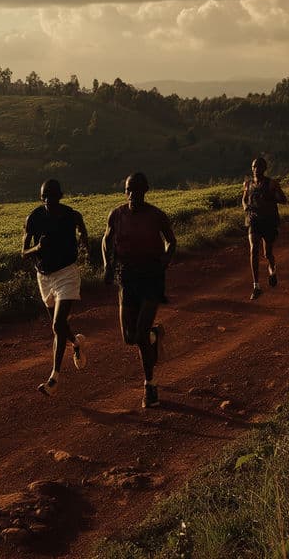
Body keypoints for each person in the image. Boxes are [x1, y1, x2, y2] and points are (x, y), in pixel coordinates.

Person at [101, 172, 176, 408]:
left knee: (140, 334)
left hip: (151, 279)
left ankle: (150, 386)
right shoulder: (117, 215)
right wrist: (107, 264)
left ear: (145, 191)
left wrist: (163, 262)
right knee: (129, 338)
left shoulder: (156, 216)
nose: (133, 194)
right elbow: (106, 240)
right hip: (127, 279)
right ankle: (153, 335)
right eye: (128, 190)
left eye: (137, 190)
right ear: (125, 192)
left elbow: (170, 241)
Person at [22, 178, 89, 396]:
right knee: (58, 325)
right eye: (45, 197)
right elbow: (23, 252)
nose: (49, 200)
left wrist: (84, 242)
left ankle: (54, 378)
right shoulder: (33, 218)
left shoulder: (72, 215)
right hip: (44, 277)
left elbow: (83, 231)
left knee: (57, 324)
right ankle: (75, 343)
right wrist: (38, 248)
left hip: (66, 274)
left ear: (60, 196)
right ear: (41, 198)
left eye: (53, 196)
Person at [242, 156, 286, 300]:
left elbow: (283, 199)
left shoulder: (271, 184)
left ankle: (272, 271)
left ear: (264, 168)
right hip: (253, 220)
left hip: (269, 221)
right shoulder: (247, 184)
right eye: (254, 166)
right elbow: (244, 198)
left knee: (267, 254)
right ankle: (256, 286)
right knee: (253, 249)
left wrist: (271, 198)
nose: (256, 169)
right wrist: (245, 206)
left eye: (259, 167)